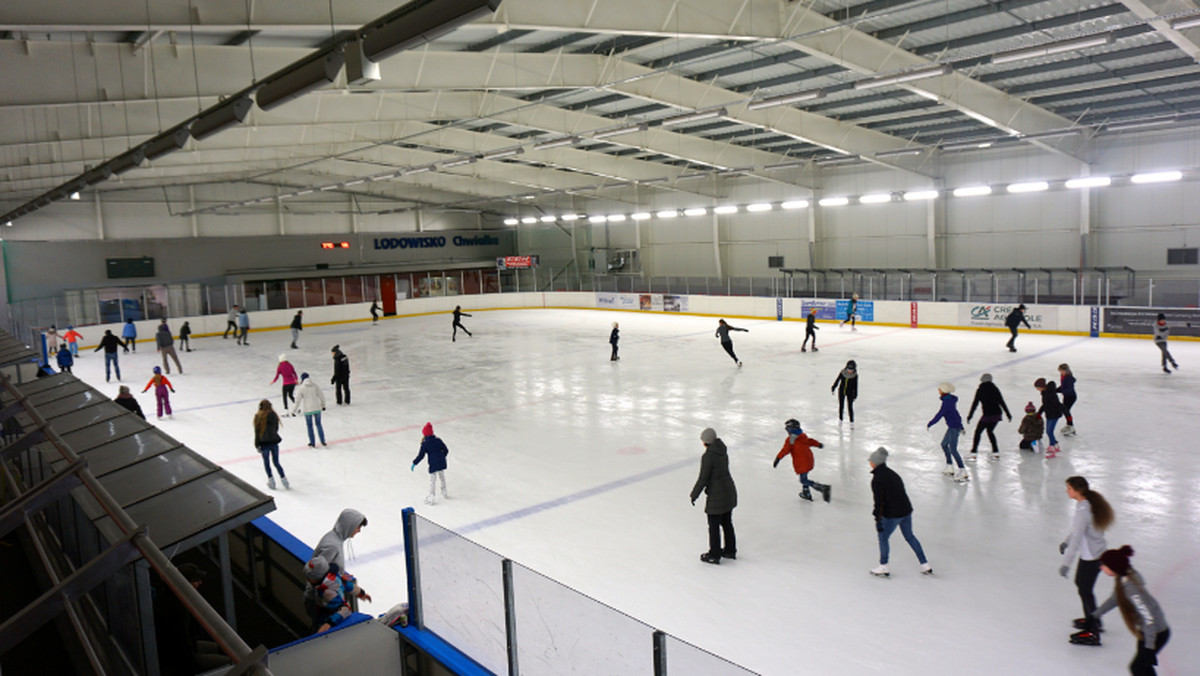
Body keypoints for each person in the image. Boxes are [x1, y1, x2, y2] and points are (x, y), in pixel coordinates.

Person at [1082, 546, 1170, 673]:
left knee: (1138, 667)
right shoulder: (1124, 576)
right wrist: (1095, 615)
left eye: (1104, 565)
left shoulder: (1131, 589)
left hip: (1156, 633)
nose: (1101, 568)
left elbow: (1148, 618)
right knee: (1141, 667)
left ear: (1113, 567)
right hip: (1147, 632)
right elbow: (1115, 599)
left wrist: (1149, 648)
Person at [1059, 476, 1113, 645]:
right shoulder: (1087, 503)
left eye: (1069, 488)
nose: (1067, 491)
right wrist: (1066, 541)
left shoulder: (1083, 510)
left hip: (1092, 556)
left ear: (1077, 491)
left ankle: (1093, 631)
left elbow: (1077, 539)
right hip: (1092, 554)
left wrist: (1066, 563)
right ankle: (1093, 619)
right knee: (1082, 585)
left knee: (1085, 590)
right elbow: (1077, 531)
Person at [154, 563, 231, 674]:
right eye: (195, 580)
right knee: (229, 661)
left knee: (223, 648)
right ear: (184, 584)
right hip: (178, 658)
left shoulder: (170, 597)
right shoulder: (177, 608)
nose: (200, 583)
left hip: (180, 650)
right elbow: (183, 643)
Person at [868, 447, 932, 578]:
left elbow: (879, 502)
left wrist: (878, 519)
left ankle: (883, 566)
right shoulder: (893, 474)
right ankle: (924, 564)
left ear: (875, 463)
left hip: (893, 515)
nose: (870, 462)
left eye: (871, 461)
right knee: (910, 537)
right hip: (906, 511)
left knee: (883, 538)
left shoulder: (877, 480)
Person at [305, 509, 368, 628]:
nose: (359, 531)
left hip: (326, 601)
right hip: (323, 604)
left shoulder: (335, 540)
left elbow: (327, 571)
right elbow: (319, 573)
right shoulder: (332, 545)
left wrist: (339, 575)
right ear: (349, 526)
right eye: (357, 527)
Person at [690, 428, 737, 565]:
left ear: (706, 442)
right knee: (727, 523)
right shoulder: (722, 451)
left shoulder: (708, 456)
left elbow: (703, 478)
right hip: (728, 491)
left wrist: (694, 494)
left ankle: (714, 554)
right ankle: (730, 550)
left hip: (717, 495)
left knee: (714, 525)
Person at [304, 555, 371, 634]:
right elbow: (346, 584)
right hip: (324, 609)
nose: (307, 579)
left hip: (330, 617)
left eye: (309, 577)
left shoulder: (328, 592)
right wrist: (361, 593)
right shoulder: (332, 575)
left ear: (318, 577)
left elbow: (345, 609)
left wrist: (329, 623)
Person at [773, 418, 830, 503]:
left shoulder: (791, 440)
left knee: (803, 480)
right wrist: (818, 444)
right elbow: (810, 441)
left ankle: (822, 487)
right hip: (809, 460)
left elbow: (785, 450)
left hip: (802, 463)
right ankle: (806, 493)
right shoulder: (802, 435)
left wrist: (778, 458)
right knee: (804, 476)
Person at [928, 382, 968, 482]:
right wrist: (961, 426)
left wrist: (931, 423)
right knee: (944, 444)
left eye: (940, 389)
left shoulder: (947, 403)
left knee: (953, 449)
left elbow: (940, 415)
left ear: (944, 391)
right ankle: (950, 466)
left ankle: (963, 471)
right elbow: (956, 414)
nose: (938, 390)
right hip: (953, 427)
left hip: (954, 428)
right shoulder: (950, 400)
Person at [965, 373, 1012, 460]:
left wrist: (970, 416)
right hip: (997, 414)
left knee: (978, 432)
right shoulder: (995, 389)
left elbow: (975, 404)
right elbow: (1001, 401)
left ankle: (973, 452)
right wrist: (1008, 414)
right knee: (990, 432)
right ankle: (995, 452)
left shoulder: (980, 390)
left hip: (987, 415)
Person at [411, 422, 450, 505]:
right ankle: (444, 491)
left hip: (433, 464)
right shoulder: (438, 440)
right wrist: (442, 457)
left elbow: (421, 456)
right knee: (442, 477)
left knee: (433, 480)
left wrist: (414, 463)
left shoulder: (425, 444)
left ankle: (431, 496)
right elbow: (446, 450)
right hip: (441, 462)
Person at [254, 400, 288, 490]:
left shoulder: (258, 416)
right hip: (274, 441)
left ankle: (271, 480)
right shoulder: (273, 415)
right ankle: (284, 479)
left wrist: (257, 445)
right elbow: (276, 429)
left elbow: (257, 433)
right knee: (276, 462)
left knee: (267, 462)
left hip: (264, 443)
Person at [292, 372, 327, 447]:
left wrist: (293, 411)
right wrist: (323, 405)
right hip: (317, 408)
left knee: (309, 426)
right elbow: (321, 396)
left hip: (308, 410)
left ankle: (312, 442)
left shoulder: (301, 388)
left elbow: (297, 400)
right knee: (318, 424)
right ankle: (323, 440)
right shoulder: (315, 386)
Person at [1035, 377, 1064, 457]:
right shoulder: (1044, 393)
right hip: (1049, 414)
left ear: (1042, 386)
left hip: (1054, 414)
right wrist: (1039, 413)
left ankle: (1052, 448)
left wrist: (1040, 413)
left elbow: (1053, 404)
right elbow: (1045, 405)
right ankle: (1055, 444)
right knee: (1048, 431)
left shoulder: (1050, 394)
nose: (1037, 389)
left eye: (1037, 388)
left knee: (1049, 431)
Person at [831, 360, 858, 425]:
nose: (850, 371)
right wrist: (834, 387)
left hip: (850, 392)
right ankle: (840, 419)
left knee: (850, 406)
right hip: (841, 391)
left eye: (851, 370)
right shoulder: (842, 373)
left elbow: (855, 385)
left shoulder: (855, 376)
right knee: (841, 406)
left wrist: (855, 394)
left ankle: (851, 421)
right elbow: (838, 380)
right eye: (849, 369)